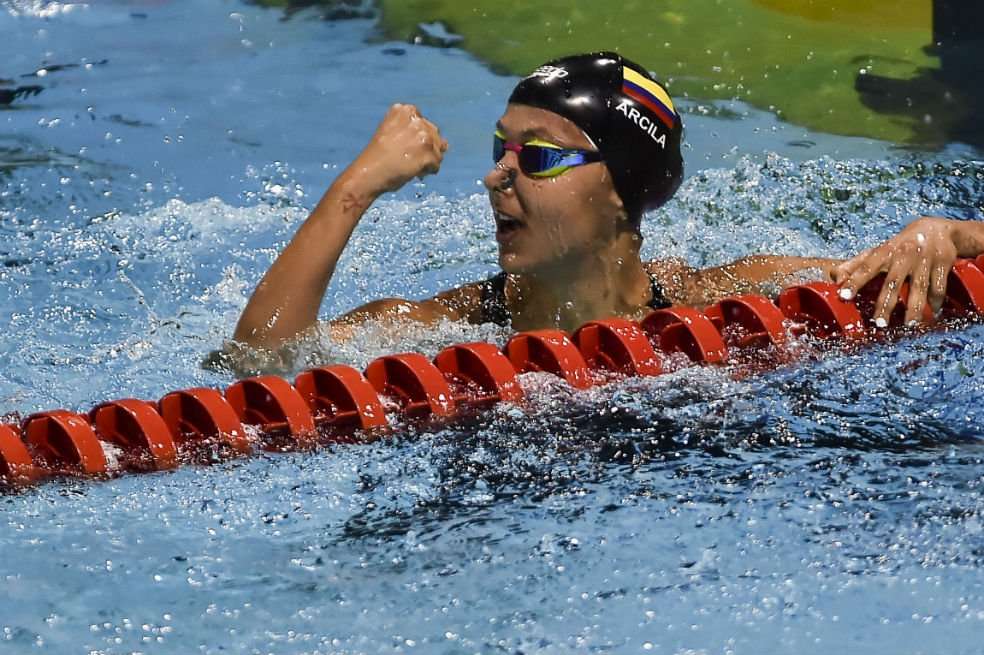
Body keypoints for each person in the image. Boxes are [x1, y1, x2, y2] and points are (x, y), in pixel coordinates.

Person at [230, 52, 984, 360]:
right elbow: (257, 362)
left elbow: (906, 268)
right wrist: (355, 189)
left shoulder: (729, 295)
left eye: (540, 154)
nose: (499, 177)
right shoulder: (450, 326)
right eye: (501, 149)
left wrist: (947, 232)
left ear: (625, 192)